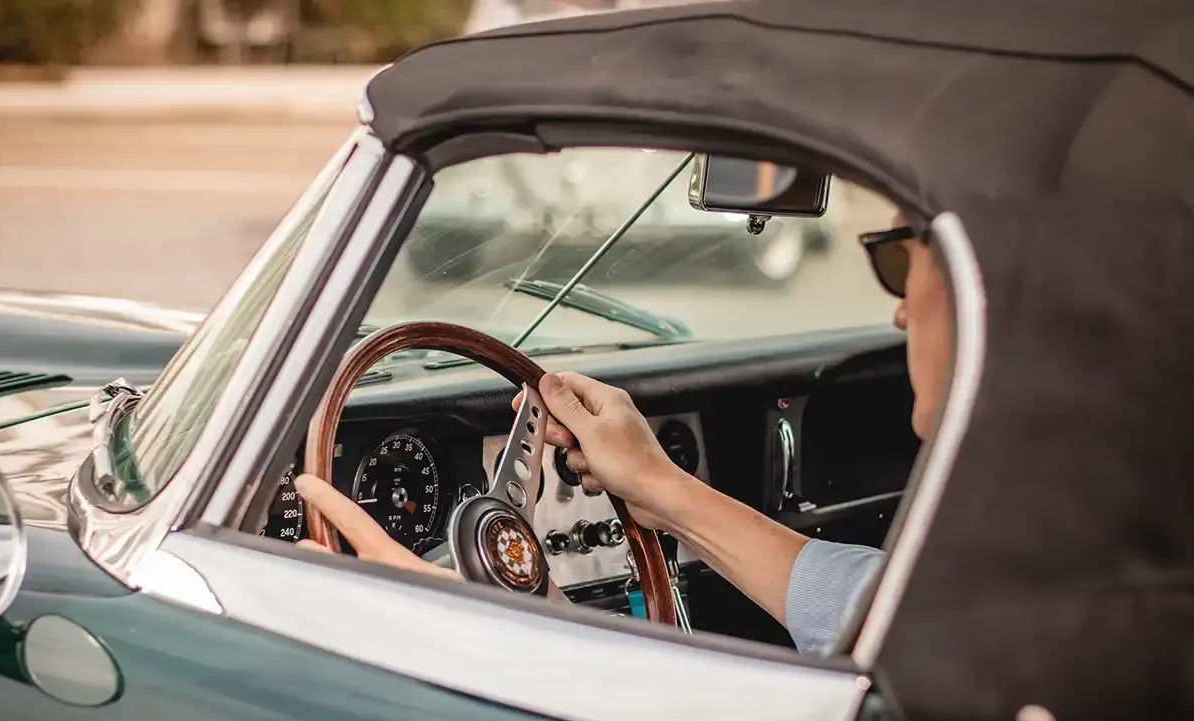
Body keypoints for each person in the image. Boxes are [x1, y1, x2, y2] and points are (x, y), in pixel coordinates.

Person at [296, 213, 950, 655]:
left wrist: (492, 632)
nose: (897, 312)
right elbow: (864, 607)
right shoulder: (968, 601)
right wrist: (658, 488)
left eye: (900, 260)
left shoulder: (971, 626)